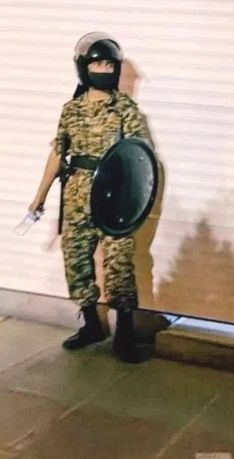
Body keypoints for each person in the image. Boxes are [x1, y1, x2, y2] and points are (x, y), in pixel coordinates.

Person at [28, 32, 149, 363]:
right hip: (77, 197)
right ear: (84, 67)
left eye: (109, 64)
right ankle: (92, 325)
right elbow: (58, 153)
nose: (104, 69)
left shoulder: (125, 108)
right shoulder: (71, 110)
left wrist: (134, 203)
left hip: (115, 199)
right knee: (76, 261)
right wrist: (40, 196)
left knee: (119, 266)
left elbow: (140, 158)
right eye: (98, 64)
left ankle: (125, 333)